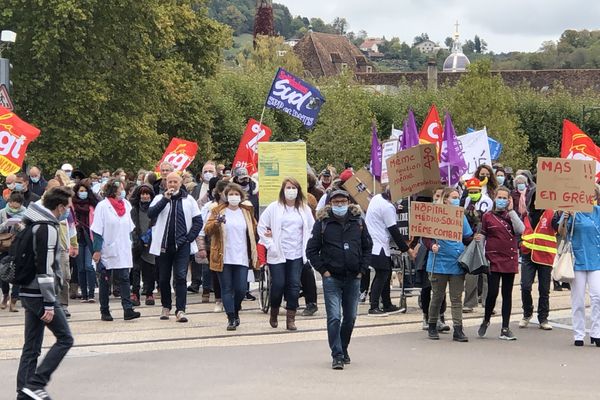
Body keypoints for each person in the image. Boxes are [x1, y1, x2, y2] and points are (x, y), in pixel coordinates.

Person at [16, 187, 75, 400]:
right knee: (65, 338)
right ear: (59, 207)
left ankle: (23, 392)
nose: (68, 210)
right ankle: (36, 383)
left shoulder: (31, 222)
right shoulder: (48, 228)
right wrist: (50, 302)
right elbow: (45, 267)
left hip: (27, 291)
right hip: (40, 294)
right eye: (67, 206)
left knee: (31, 346)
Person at [306, 190, 372, 370]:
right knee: (334, 317)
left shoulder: (358, 221)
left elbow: (368, 246)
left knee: (350, 318)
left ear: (348, 202)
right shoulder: (322, 223)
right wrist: (323, 271)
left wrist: (362, 270)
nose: (340, 205)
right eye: (336, 202)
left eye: (343, 201)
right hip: (332, 277)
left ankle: (343, 347)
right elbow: (311, 250)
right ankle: (337, 354)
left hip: (353, 277)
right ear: (330, 204)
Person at [258, 177, 315, 330]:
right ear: (283, 190)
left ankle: (291, 319)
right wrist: (270, 245)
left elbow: (311, 229)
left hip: (296, 254)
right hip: (278, 254)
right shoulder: (274, 208)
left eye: (294, 188)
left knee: (294, 286)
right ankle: (274, 311)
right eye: (288, 188)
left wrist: (307, 248)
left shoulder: (304, 209)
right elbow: (262, 227)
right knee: (278, 285)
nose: (291, 191)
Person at [148, 172, 202, 323]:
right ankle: (166, 306)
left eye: (175, 182)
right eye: (169, 182)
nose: (172, 184)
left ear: (180, 183)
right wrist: (165, 199)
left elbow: (198, 221)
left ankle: (180, 309)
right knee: (164, 278)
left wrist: (189, 238)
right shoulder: (159, 198)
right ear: (165, 183)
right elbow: (151, 213)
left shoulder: (188, 200)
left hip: (182, 246)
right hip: (164, 245)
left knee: (180, 277)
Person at [204, 183, 259, 331]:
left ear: (241, 196)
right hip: (223, 256)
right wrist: (216, 223)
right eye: (231, 194)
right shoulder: (218, 211)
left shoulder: (246, 211)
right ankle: (231, 318)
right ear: (226, 196)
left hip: (241, 256)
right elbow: (207, 230)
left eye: (236, 194)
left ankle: (235, 310)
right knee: (226, 289)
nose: (233, 197)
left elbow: (254, 229)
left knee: (241, 289)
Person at [423, 187, 473, 342]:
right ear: (445, 199)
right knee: (437, 296)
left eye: (458, 196)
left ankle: (458, 329)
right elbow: (425, 236)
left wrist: (475, 240)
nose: (457, 199)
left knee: (456, 298)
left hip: (457, 263)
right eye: (454, 197)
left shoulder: (461, 216)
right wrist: (432, 246)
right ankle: (432, 325)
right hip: (438, 263)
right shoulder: (434, 215)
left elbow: (466, 237)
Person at [476, 187, 525, 340]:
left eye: (505, 197)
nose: (502, 200)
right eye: (500, 197)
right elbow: (483, 234)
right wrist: (479, 252)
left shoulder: (512, 215)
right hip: (493, 258)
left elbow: (521, 230)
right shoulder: (487, 216)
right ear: (495, 198)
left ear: (509, 199)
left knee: (507, 294)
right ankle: (486, 319)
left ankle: (505, 327)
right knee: (492, 293)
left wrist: (511, 211)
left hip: (509, 258)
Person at [91, 179, 141, 322]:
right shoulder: (102, 206)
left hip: (123, 247)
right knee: (105, 280)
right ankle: (105, 310)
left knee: (125, 278)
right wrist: (97, 250)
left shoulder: (126, 204)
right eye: (121, 188)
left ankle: (128, 309)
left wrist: (133, 241)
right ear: (113, 190)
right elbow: (97, 230)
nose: (123, 191)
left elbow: (130, 226)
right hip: (107, 248)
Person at [559, 207, 600, 347]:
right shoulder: (572, 212)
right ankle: (579, 334)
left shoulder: (598, 211)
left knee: (597, 297)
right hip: (577, 260)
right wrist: (565, 219)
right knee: (578, 299)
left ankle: (596, 332)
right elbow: (562, 233)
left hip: (596, 260)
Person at [364, 189, 409, 315]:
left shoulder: (377, 198)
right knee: (382, 273)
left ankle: (387, 303)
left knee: (387, 272)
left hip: (374, 241)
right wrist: (406, 249)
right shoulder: (388, 207)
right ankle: (374, 306)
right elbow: (393, 230)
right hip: (379, 244)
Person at [461, 177, 493, 313]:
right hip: (471, 239)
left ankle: (488, 302)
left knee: (487, 273)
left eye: (475, 191)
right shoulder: (467, 200)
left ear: (480, 190)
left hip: (484, 238)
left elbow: (484, 219)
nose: (472, 193)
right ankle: (469, 302)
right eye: (470, 191)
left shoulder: (487, 201)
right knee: (471, 272)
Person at [197, 180, 229, 311]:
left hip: (231, 245)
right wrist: (201, 246)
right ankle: (219, 300)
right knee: (217, 273)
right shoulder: (210, 207)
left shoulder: (239, 208)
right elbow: (202, 228)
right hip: (214, 244)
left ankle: (231, 299)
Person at [130, 184, 157, 306]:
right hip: (137, 243)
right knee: (135, 269)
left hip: (151, 243)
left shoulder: (155, 209)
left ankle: (149, 293)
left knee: (149, 269)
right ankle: (135, 293)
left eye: (147, 194)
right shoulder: (134, 210)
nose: (145, 196)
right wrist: (137, 238)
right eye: (143, 194)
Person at [72, 180, 98, 304]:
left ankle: (91, 293)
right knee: (80, 268)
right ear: (76, 192)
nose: (83, 193)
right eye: (81, 191)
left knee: (88, 266)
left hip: (90, 238)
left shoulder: (93, 205)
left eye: (85, 191)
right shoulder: (72, 206)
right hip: (77, 239)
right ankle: (84, 294)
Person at [0, 191, 26, 312]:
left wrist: (20, 227)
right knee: (3, 271)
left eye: (17, 205)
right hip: (4, 245)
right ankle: (5, 295)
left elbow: (28, 230)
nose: (14, 207)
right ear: (9, 202)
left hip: (19, 245)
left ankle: (14, 300)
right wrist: (5, 224)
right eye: (12, 204)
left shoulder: (25, 213)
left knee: (17, 272)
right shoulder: (2, 212)